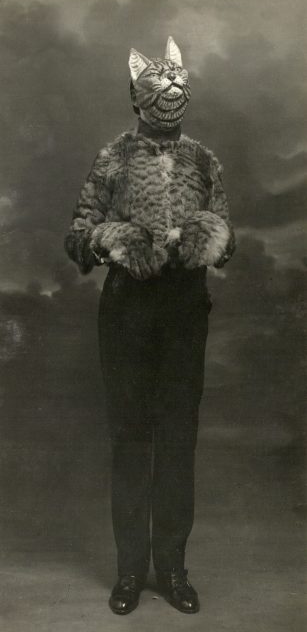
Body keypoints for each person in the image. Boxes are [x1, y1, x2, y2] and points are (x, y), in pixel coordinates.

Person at [64, 37, 235, 615]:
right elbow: (78, 234)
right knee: (131, 441)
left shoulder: (204, 160)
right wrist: (113, 240)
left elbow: (227, 241)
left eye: (179, 84)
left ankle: (174, 569)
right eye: (160, 86)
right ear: (137, 96)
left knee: (179, 442)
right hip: (127, 314)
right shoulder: (112, 157)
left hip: (185, 311)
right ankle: (129, 572)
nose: (172, 94)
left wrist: (206, 237)